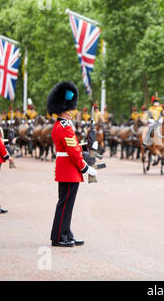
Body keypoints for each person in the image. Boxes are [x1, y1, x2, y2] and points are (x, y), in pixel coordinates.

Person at [47, 81, 97, 247]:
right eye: (70, 110)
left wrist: (86, 145)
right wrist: (86, 167)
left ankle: (66, 233)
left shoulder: (60, 126)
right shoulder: (65, 127)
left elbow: (72, 146)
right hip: (69, 169)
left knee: (66, 204)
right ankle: (59, 237)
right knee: (65, 204)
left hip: (66, 168)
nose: (71, 113)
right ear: (65, 110)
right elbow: (73, 152)